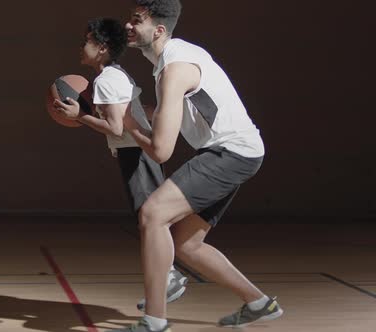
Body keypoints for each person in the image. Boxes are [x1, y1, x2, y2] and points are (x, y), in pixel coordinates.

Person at [105, 1, 284, 331]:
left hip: (230, 153)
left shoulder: (175, 69)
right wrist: (108, 113)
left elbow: (161, 151)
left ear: (159, 30)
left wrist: (128, 122)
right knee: (186, 244)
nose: (128, 25)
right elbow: (162, 116)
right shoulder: (172, 59)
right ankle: (259, 302)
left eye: (137, 20)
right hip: (239, 151)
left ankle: (154, 322)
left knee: (152, 214)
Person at [52, 17, 188, 312]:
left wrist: (79, 116)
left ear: (101, 47)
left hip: (135, 153)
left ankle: (170, 277)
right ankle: (167, 278)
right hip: (135, 152)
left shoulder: (107, 79)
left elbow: (115, 128)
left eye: (86, 41)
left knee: (150, 220)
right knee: (149, 220)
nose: (81, 46)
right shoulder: (113, 75)